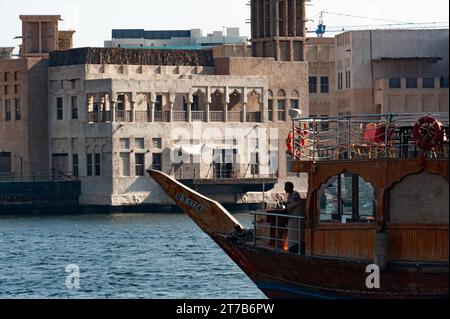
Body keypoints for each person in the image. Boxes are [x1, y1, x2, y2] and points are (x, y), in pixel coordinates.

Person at [284, 182, 305, 254]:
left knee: (295, 237)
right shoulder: (290, 195)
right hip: (292, 219)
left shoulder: (295, 195)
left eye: (286, 187)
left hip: (296, 220)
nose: (284, 189)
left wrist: (286, 205)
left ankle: (294, 249)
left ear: (290, 187)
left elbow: (290, 205)